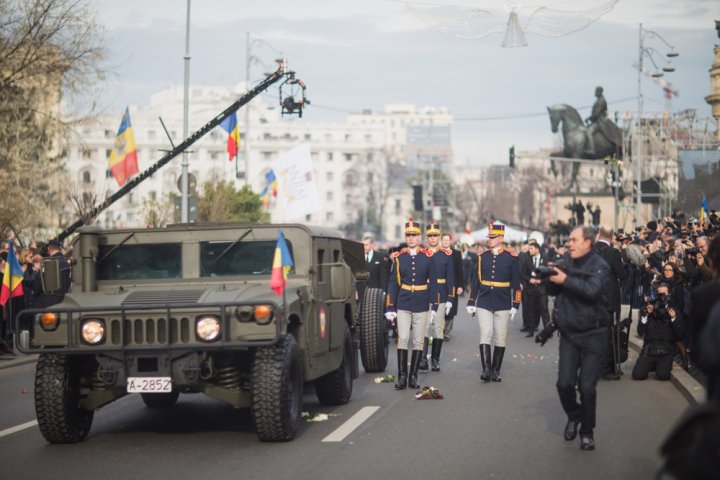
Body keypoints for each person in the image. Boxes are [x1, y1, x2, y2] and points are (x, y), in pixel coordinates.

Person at [536, 225, 610, 451]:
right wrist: (548, 277)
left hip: (594, 335)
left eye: (574, 240)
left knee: (587, 387)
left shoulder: (600, 265)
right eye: (568, 240)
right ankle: (574, 415)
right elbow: (553, 292)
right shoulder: (565, 261)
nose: (569, 243)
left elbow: (593, 291)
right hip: (569, 334)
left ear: (587, 242)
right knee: (564, 383)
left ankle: (587, 432)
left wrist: (565, 280)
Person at [385, 218, 438, 390]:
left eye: (414, 235)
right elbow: (393, 283)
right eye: (408, 235)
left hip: (422, 302)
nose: (411, 238)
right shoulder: (400, 258)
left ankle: (413, 376)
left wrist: (434, 305)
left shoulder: (428, 257)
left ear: (419, 237)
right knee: (403, 338)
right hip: (404, 301)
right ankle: (402, 376)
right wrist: (390, 306)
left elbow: (434, 282)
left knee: (418, 340)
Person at [466, 223, 521, 383]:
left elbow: (517, 284)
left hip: (503, 301)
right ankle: (486, 370)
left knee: (500, 337)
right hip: (484, 300)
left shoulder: (511, 258)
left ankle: (496, 370)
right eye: (489, 237)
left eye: (493, 237)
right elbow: (476, 281)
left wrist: (515, 304)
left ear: (501, 238)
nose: (489, 240)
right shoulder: (483, 256)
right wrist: (471, 301)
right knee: (486, 333)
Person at [418, 222, 453, 372]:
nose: (432, 238)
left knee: (438, 328)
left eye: (435, 236)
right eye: (430, 236)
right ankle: (423, 359)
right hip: (424, 294)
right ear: (427, 238)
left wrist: (451, 298)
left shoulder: (446, 255)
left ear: (439, 237)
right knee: (424, 328)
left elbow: (451, 278)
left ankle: (435, 360)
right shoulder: (421, 254)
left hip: (440, 294)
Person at [594, 226, 628, 380]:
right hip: (608, 301)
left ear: (599, 235)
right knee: (606, 334)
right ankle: (606, 369)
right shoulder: (613, 253)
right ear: (612, 236)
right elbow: (622, 274)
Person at [632, 283, 684, 381]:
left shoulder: (674, 311)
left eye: (664, 294)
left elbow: (680, 335)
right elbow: (640, 332)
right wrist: (646, 315)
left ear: (669, 295)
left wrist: (674, 318)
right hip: (650, 350)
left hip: (666, 351)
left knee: (663, 376)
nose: (662, 297)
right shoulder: (649, 310)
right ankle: (651, 365)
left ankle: (659, 366)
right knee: (638, 375)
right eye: (660, 294)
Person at [520, 240, 550, 337]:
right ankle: (531, 330)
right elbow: (523, 273)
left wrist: (541, 281)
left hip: (542, 289)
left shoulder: (545, 259)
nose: (529, 251)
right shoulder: (527, 259)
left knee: (544, 310)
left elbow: (549, 274)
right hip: (531, 289)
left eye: (531, 249)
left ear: (537, 249)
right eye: (529, 249)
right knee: (531, 310)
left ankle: (548, 331)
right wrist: (530, 280)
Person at [33, 238, 71, 308]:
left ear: (49, 249)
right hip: (64, 298)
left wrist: (36, 271)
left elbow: (39, 282)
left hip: (51, 300)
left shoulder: (49, 263)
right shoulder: (65, 262)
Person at [441, 233, 464, 341]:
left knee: (451, 310)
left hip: (453, 285)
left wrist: (460, 286)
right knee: (440, 308)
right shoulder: (437, 253)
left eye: (447, 240)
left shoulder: (456, 254)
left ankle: (447, 332)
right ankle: (439, 330)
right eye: (444, 240)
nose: (445, 242)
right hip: (440, 286)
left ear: (450, 241)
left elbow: (460, 271)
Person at [585, 86, 607, 155]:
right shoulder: (599, 100)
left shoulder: (601, 101)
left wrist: (589, 118)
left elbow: (597, 114)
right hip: (596, 121)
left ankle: (592, 149)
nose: (595, 93)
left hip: (600, 122)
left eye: (596, 91)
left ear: (600, 92)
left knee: (589, 132)